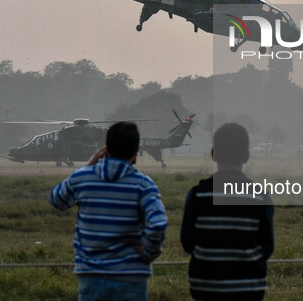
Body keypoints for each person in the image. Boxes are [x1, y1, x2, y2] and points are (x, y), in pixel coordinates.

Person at [50, 122, 167, 301]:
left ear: (106, 148)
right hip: (131, 278)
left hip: (91, 278)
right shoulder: (144, 185)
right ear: (136, 151)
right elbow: (158, 224)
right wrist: (147, 254)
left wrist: (88, 165)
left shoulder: (83, 178)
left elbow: (57, 200)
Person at [180, 123, 275, 301]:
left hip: (205, 288)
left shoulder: (197, 195)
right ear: (246, 156)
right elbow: (267, 246)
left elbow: (187, 242)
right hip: (249, 289)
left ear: (213, 153)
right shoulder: (261, 197)